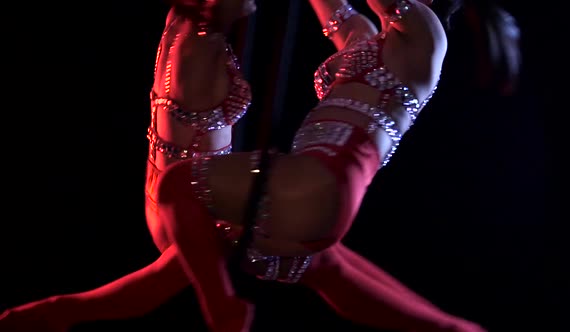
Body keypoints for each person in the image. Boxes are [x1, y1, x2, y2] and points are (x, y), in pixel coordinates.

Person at [0, 0, 520, 331]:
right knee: (308, 268)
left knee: (182, 187)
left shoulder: (426, 30)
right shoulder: (375, 41)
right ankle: (52, 316)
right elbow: (332, 9)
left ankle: (222, 309)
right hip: (311, 195)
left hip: (316, 184)